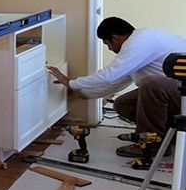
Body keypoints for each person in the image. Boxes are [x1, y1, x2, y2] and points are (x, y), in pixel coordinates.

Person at [48, 17, 186, 158]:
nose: (110, 48)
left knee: (151, 84)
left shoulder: (140, 41)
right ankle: (170, 136)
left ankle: (152, 146)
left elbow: (110, 75)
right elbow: (119, 81)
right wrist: (84, 93)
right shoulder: (140, 46)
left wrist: (71, 83)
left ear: (115, 38)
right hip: (178, 93)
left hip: (183, 92)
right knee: (123, 104)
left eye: (108, 44)